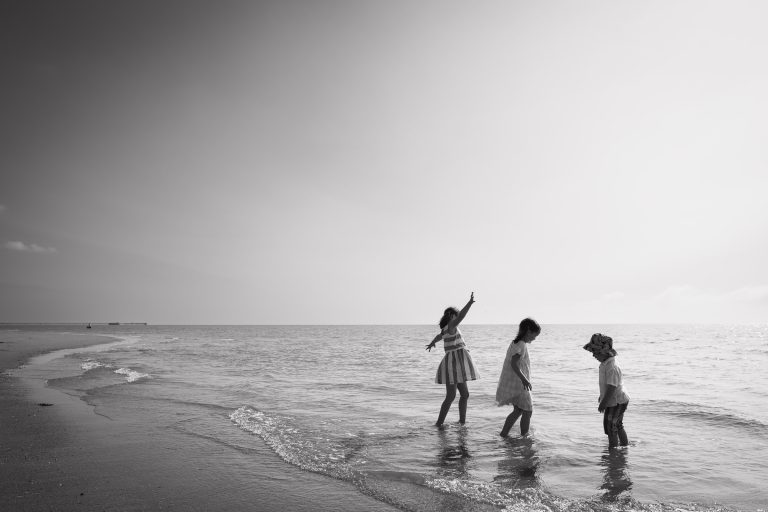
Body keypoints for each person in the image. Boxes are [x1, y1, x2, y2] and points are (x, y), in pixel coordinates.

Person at [425, 292, 479, 426]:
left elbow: (439, 336)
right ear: (452, 317)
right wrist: (470, 303)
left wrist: (433, 342)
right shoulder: (451, 326)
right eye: (456, 315)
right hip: (454, 364)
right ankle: (439, 424)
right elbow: (461, 315)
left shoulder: (445, 329)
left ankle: (462, 422)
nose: (458, 318)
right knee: (451, 396)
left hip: (456, 364)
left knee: (465, 394)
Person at [496, 318, 541, 437]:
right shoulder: (521, 344)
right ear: (528, 331)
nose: (534, 338)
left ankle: (504, 434)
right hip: (520, 384)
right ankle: (525, 436)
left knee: (518, 410)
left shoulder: (516, 343)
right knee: (528, 410)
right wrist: (524, 379)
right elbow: (513, 363)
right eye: (534, 335)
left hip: (516, 382)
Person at [583, 333, 630, 448]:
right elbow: (607, 385)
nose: (593, 355)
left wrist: (603, 403)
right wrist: (602, 396)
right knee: (617, 425)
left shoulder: (612, 367)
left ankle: (613, 450)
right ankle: (624, 448)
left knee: (610, 428)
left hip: (616, 402)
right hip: (617, 400)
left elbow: (612, 387)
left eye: (595, 352)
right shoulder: (605, 363)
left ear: (604, 352)